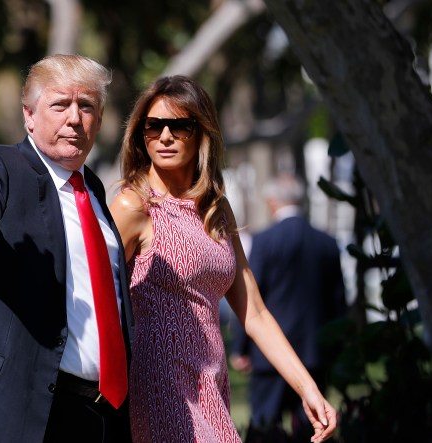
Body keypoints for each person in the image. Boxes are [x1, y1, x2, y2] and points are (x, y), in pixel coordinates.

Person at [0, 35, 134, 443]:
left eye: (86, 106)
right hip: (15, 412)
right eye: (60, 105)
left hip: (99, 417)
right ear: (29, 115)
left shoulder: (93, 191)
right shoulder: (2, 169)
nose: (75, 118)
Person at [109, 75, 337, 443]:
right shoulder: (133, 205)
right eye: (154, 126)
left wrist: (307, 388)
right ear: (140, 134)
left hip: (210, 382)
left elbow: (255, 312)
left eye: (179, 126)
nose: (165, 136)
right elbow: (95, 294)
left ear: (201, 132)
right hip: (158, 386)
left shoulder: (217, 210)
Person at [230, 174, 347, 442]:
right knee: (312, 429)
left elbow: (250, 297)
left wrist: (241, 348)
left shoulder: (264, 241)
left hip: (268, 355)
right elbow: (338, 300)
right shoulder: (327, 242)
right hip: (314, 351)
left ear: (272, 201)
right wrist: (334, 347)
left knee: (265, 428)